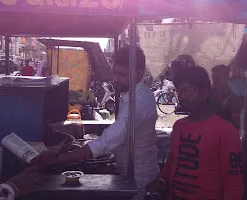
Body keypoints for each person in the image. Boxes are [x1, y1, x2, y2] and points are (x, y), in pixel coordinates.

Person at [32, 45, 160, 188]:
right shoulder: (131, 95)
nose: (115, 78)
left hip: (140, 179)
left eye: (122, 75)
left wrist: (57, 159)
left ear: (138, 74)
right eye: (115, 72)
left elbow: (107, 140)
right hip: (128, 172)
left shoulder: (139, 101)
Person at [147, 66, 243, 200]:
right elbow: (173, 160)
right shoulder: (179, 127)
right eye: (179, 91)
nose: (183, 96)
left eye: (189, 90)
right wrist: (161, 180)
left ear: (206, 90)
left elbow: (233, 182)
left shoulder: (226, 131)